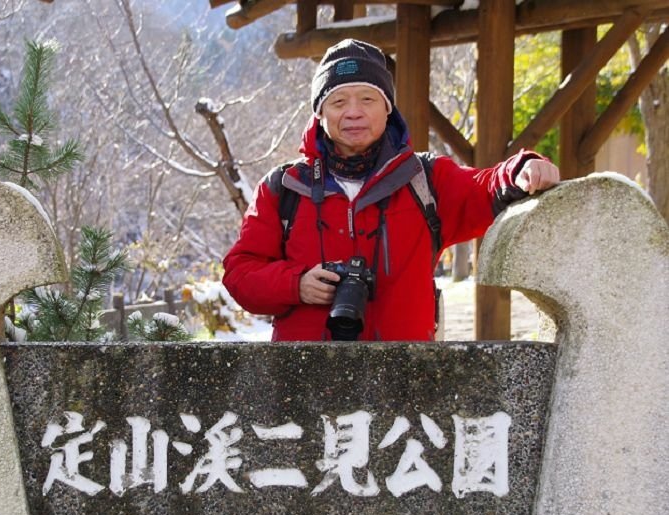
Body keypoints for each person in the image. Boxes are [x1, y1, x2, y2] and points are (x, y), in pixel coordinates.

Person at [222, 39, 559, 342]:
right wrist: (297, 284)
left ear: (387, 108)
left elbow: (486, 187)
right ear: (320, 112)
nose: (353, 112)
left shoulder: (425, 178)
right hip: (305, 382)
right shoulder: (284, 188)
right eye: (338, 101)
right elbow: (240, 274)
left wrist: (524, 167)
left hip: (405, 381)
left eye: (367, 98)